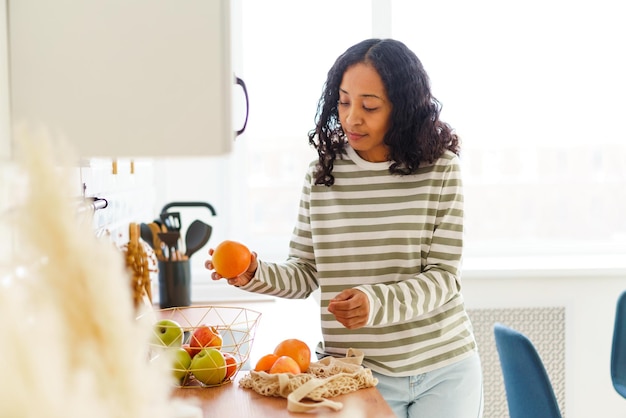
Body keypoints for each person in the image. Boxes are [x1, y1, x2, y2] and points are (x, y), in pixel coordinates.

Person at [205, 38, 483, 418]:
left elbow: (444, 277)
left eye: (369, 106)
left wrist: (375, 302)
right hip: (355, 374)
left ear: (402, 110)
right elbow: (304, 274)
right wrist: (252, 272)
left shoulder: (440, 170)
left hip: (444, 370)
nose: (352, 117)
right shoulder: (323, 175)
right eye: (344, 100)